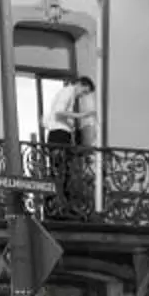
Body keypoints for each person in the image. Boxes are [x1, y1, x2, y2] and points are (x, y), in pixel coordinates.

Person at [49, 74, 99, 211]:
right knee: (60, 170)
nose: (83, 95)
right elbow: (59, 114)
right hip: (59, 134)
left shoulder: (68, 94)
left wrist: (71, 126)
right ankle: (58, 204)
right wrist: (81, 116)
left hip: (60, 133)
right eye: (84, 91)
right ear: (80, 84)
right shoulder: (67, 92)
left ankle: (59, 204)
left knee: (61, 170)